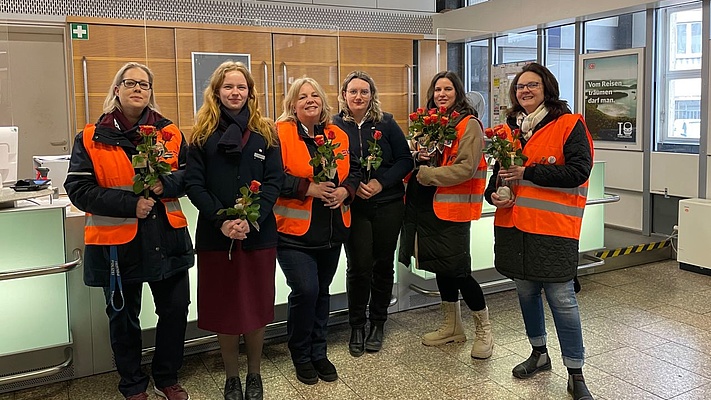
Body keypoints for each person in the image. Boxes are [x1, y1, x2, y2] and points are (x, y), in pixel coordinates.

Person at [65, 62, 193, 400]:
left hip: (167, 238)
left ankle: (167, 376)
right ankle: (132, 383)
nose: (138, 89)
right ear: (117, 89)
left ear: (151, 92)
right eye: (130, 83)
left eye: (145, 84)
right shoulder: (92, 137)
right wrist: (129, 203)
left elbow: (188, 176)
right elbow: (78, 189)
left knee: (176, 309)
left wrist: (164, 186)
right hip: (117, 245)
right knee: (123, 318)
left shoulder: (170, 133)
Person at [484, 62, 594, 400]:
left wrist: (528, 173)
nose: (525, 91)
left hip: (553, 229)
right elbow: (497, 177)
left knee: (562, 299)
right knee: (526, 293)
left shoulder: (569, 124)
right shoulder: (509, 131)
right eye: (520, 87)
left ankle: (575, 372)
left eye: (532, 85)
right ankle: (539, 353)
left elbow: (578, 171)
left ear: (547, 88)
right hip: (514, 228)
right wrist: (493, 195)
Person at [184, 61, 283, 400]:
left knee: (255, 306)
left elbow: (274, 181)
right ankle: (231, 378)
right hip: (216, 237)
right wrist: (222, 220)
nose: (235, 92)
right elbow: (194, 184)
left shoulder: (266, 133)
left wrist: (251, 217)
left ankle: (254, 375)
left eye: (241, 87)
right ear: (216, 92)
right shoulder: (199, 135)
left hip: (258, 235)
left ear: (250, 92)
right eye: (228, 87)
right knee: (225, 309)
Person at [398, 71, 492, 359]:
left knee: (460, 272)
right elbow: (428, 155)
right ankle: (453, 327)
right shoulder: (432, 124)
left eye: (448, 89)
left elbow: (465, 167)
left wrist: (426, 172)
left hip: (452, 211)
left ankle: (485, 332)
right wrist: (419, 158)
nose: (441, 94)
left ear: (458, 92)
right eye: (437, 89)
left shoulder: (469, 125)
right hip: (427, 208)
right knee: (440, 267)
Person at [274, 77, 360, 385]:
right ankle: (300, 353)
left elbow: (356, 170)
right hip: (294, 233)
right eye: (302, 97)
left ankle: (319, 352)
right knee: (306, 291)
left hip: (332, 230)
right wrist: (307, 188)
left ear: (323, 102)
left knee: (321, 292)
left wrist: (346, 191)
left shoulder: (337, 134)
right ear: (293, 105)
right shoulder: (280, 134)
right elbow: (271, 178)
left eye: (315, 95)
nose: (310, 100)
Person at [332, 71, 413, 357]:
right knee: (358, 267)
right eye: (352, 92)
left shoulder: (387, 123)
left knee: (382, 266)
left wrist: (381, 182)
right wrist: (351, 188)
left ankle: (378, 322)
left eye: (364, 92)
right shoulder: (333, 127)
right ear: (343, 95)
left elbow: (405, 160)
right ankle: (357, 325)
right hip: (354, 207)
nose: (358, 97)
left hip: (388, 204)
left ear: (371, 95)